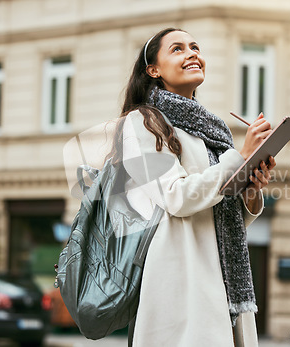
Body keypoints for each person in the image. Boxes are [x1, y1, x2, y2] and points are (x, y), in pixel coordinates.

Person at [114, 28, 276, 347]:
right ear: (153, 70)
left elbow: (226, 219)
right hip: (180, 279)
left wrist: (251, 187)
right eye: (177, 49)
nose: (191, 53)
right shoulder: (141, 123)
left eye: (195, 47)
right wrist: (240, 157)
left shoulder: (212, 131)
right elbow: (176, 198)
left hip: (224, 283)